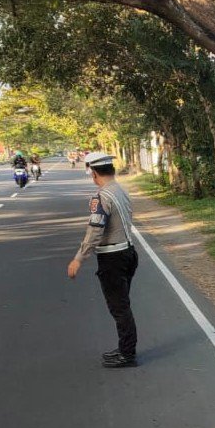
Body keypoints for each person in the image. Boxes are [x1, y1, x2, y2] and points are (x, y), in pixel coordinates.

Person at [67, 152, 139, 368]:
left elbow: (95, 230)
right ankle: (125, 347)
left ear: (94, 174)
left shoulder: (101, 197)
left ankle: (127, 354)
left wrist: (78, 258)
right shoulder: (120, 190)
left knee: (119, 308)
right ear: (112, 170)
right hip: (128, 252)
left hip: (112, 258)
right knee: (122, 305)